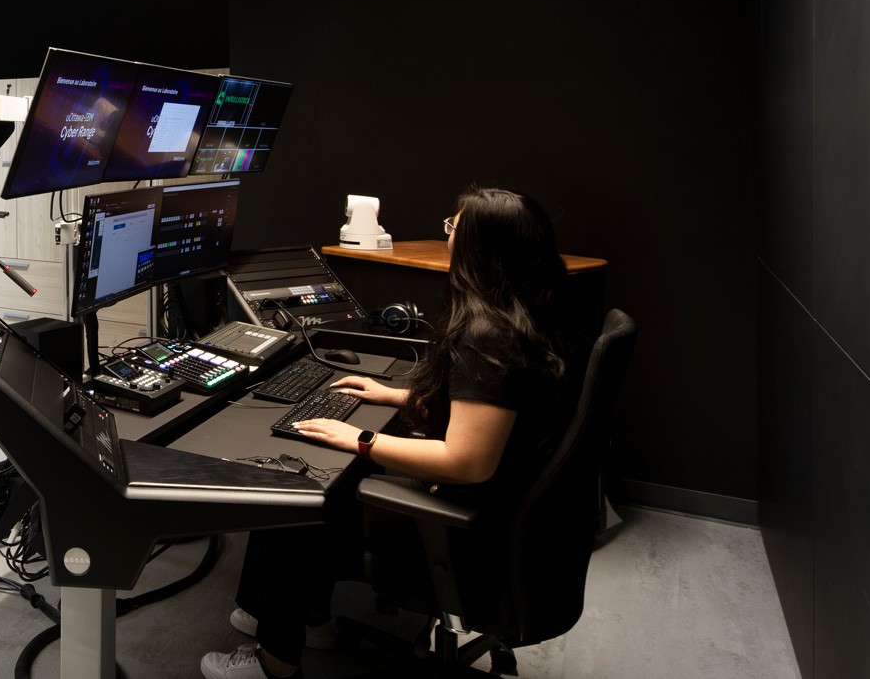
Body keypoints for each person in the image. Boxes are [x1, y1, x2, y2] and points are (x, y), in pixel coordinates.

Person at [200, 187, 585, 679]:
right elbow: (494, 410)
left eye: (453, 227)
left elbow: (468, 461)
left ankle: (275, 663)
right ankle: (306, 619)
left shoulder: (487, 336)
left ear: (478, 248)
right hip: (503, 508)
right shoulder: (530, 314)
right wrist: (396, 395)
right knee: (323, 481)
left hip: (466, 525)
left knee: (294, 502)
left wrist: (359, 439)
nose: (446, 233)